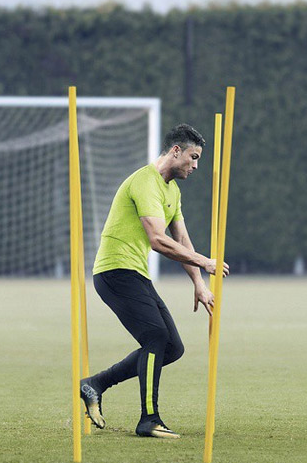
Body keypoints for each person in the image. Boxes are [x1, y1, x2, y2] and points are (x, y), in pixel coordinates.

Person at [80, 123, 229, 439]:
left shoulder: (172, 192)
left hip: (134, 273)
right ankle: (149, 420)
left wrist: (199, 283)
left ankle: (95, 385)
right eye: (193, 156)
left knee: (171, 348)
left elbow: (182, 240)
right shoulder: (145, 181)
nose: (196, 165)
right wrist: (206, 261)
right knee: (156, 337)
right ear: (176, 151)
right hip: (114, 271)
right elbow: (158, 240)